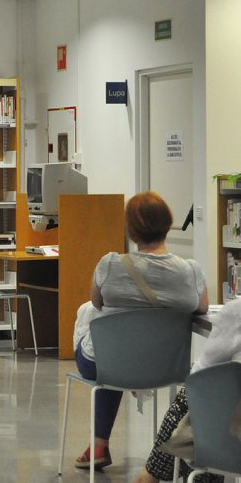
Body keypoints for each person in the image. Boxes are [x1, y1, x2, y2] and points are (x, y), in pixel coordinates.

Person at [70, 191, 208, 470]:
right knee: (115, 353)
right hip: (165, 366)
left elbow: (97, 302)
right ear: (168, 224)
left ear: (130, 230)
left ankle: (99, 443)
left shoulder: (110, 264)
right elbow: (202, 308)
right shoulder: (190, 271)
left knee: (93, 324)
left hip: (109, 364)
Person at [132, 299, 241, 483]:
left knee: (200, 393)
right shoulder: (188, 273)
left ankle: (151, 473)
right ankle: (152, 473)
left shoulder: (236, 312)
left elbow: (200, 374)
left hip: (229, 441)